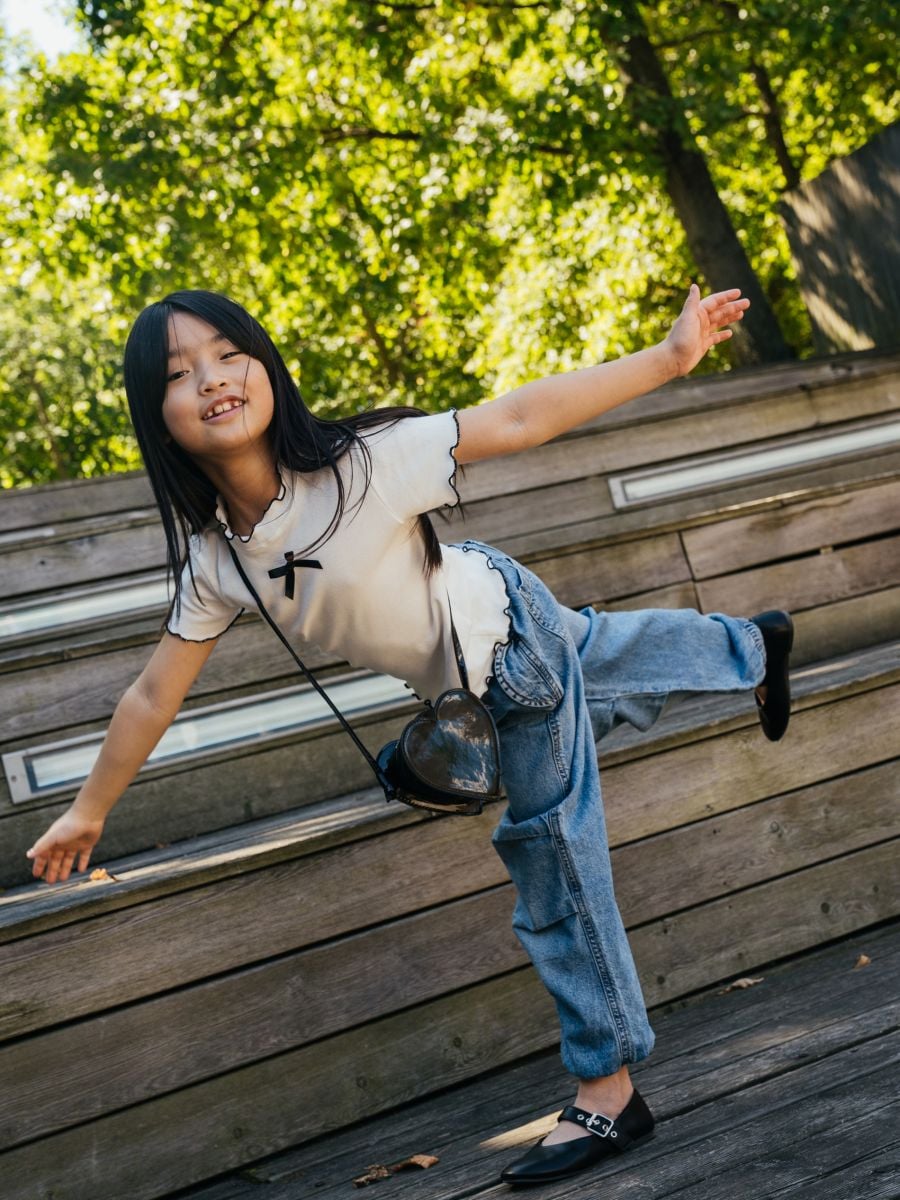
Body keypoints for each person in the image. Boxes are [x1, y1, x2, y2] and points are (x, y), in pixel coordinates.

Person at [26, 284, 792, 1186]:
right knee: (596, 648)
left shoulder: (363, 462)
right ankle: (754, 646)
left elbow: (515, 417)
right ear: (156, 416)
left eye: (228, 352)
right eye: (178, 372)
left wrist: (667, 358)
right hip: (485, 643)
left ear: (265, 362)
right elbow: (154, 693)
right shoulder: (217, 557)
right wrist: (87, 812)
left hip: (506, 656)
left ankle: (610, 1089)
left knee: (550, 853)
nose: (213, 378)